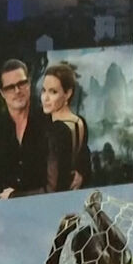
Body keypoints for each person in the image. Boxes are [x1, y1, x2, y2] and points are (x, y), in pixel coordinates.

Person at [0, 59, 51, 199]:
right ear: (2, 92)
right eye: (10, 87)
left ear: (29, 83)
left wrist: (82, 170)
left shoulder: (49, 122)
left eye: (21, 83)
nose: (17, 91)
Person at [41, 190, 133, 264]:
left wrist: (95, 209)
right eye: (80, 262)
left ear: (104, 248)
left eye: (91, 257)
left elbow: (119, 246)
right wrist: (60, 238)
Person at [41, 63, 90, 194]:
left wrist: (13, 195)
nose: (45, 98)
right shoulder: (80, 121)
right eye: (43, 90)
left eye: (53, 92)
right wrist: (81, 174)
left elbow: (51, 188)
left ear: (67, 93)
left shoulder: (57, 130)